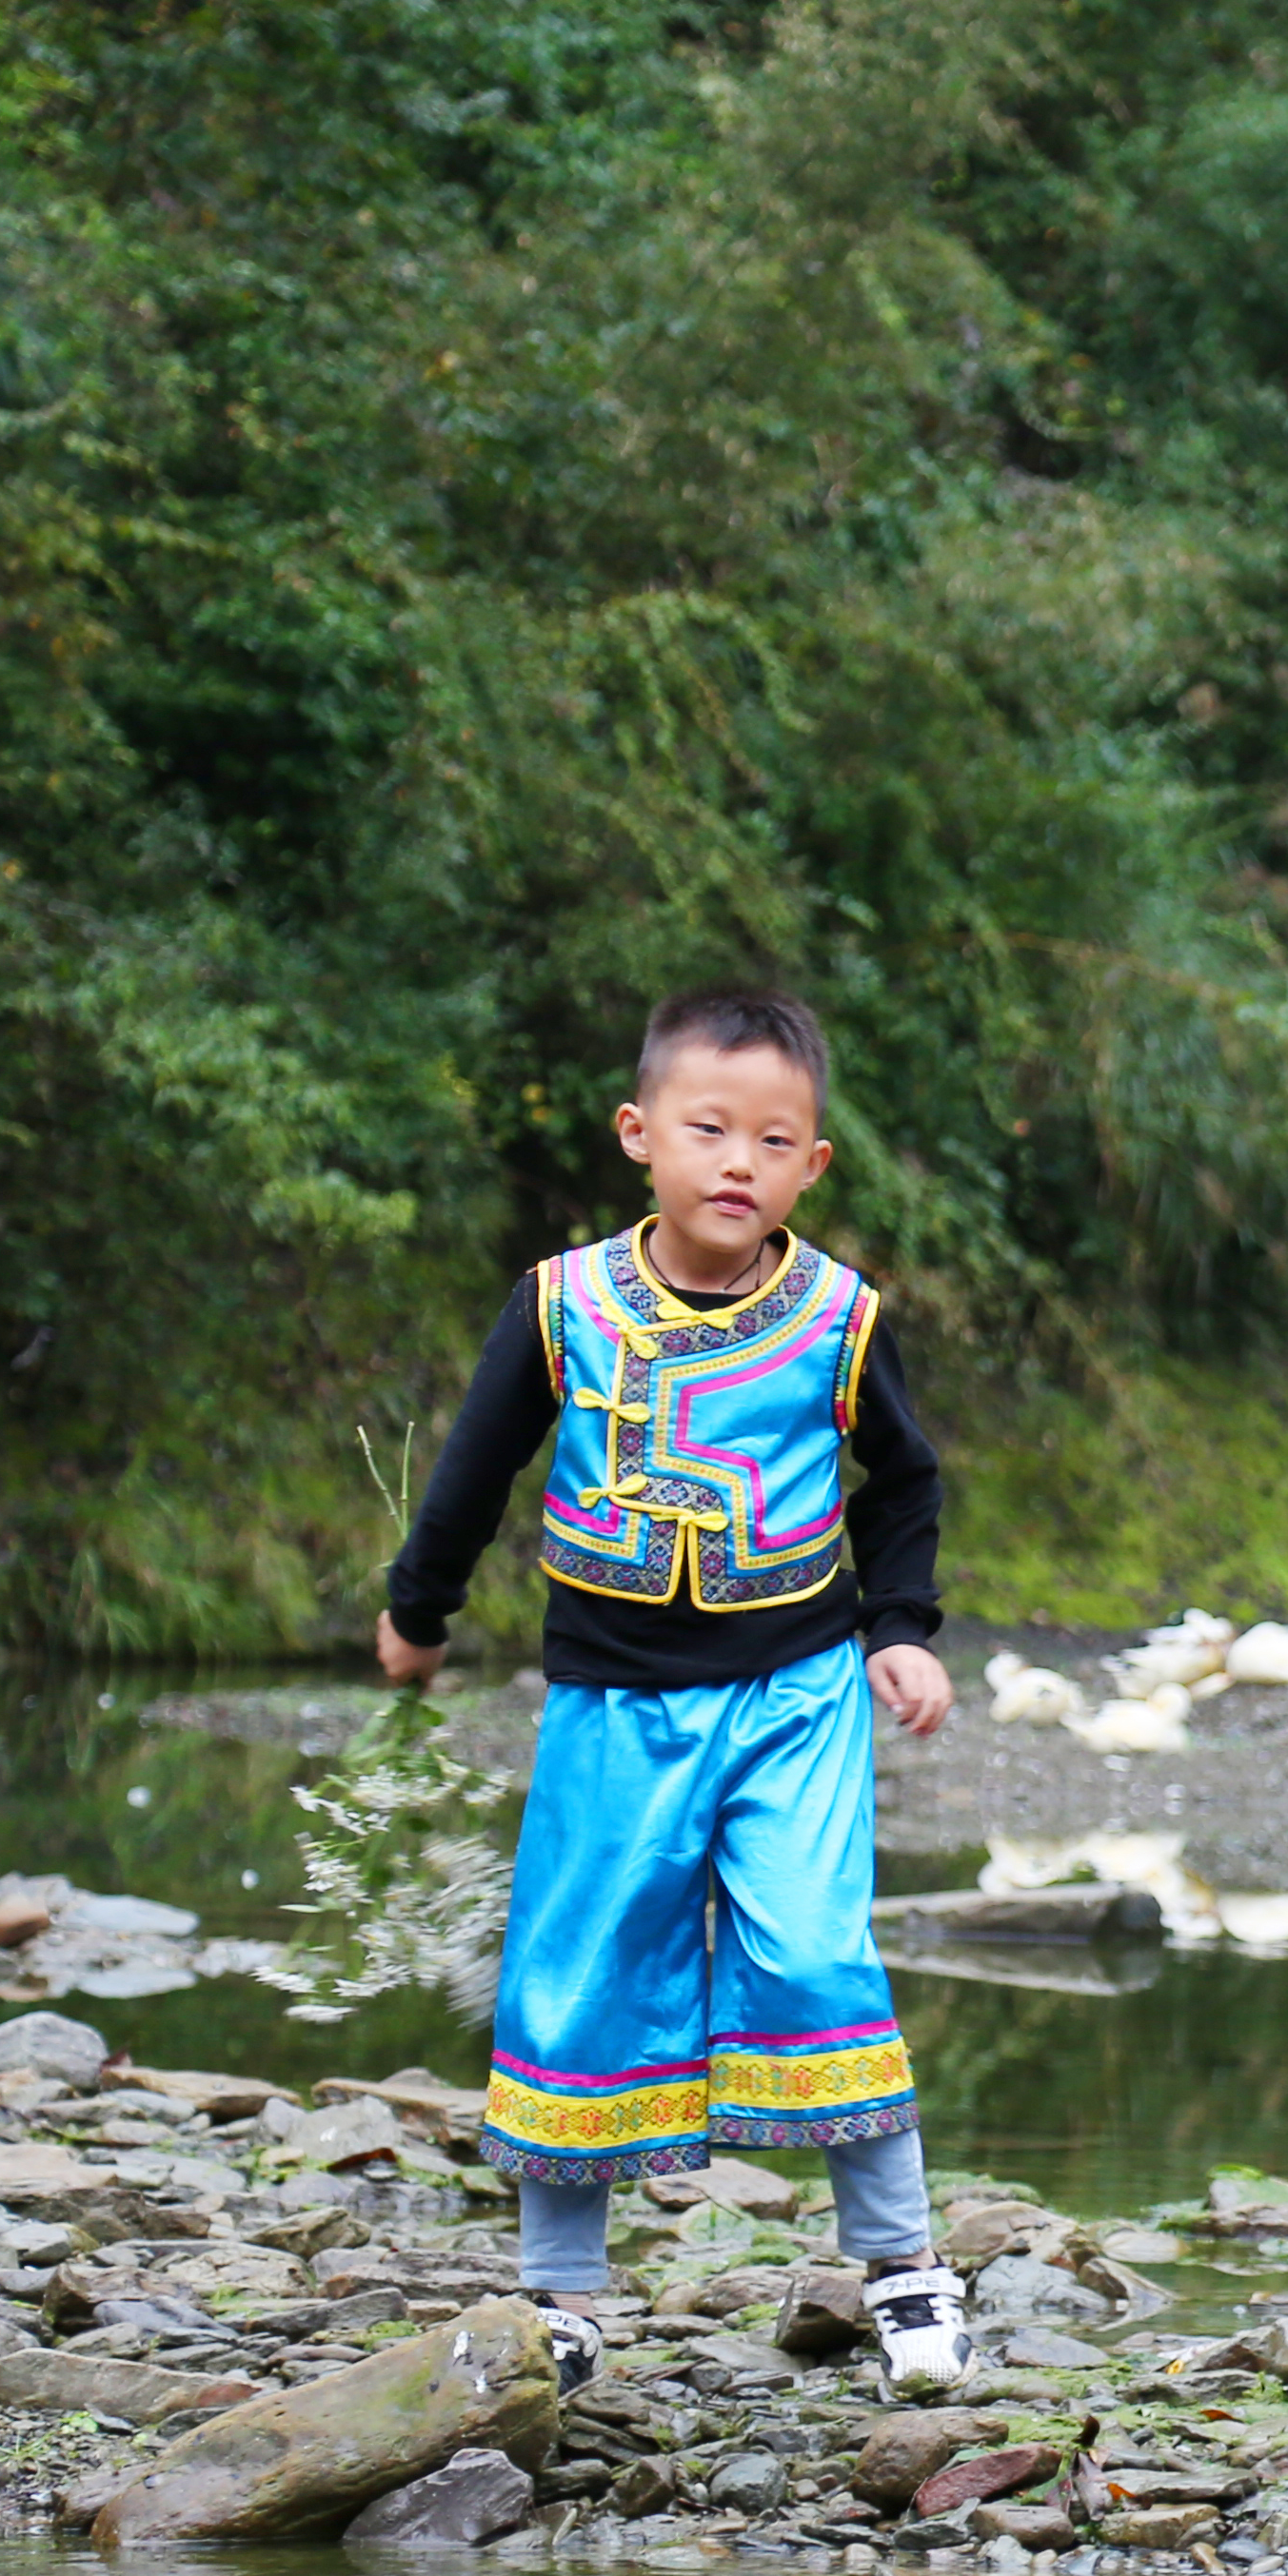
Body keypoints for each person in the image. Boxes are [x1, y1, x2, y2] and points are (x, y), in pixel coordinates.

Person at [379, 989, 966, 2388]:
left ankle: (904, 2267)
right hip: (611, 1702)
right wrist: (420, 1606)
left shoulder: (839, 1318)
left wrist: (901, 1626)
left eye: (774, 1141)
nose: (738, 1163)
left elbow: (906, 1480)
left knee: (816, 1952)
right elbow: (475, 1466)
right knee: (583, 1965)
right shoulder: (561, 1305)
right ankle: (562, 2296)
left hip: (796, 1693)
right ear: (640, 1134)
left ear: (813, 1165)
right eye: (709, 1130)